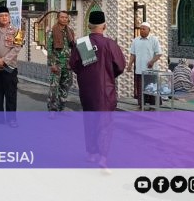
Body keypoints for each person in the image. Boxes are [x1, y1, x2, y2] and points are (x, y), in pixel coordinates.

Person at [68, 10, 125, 167]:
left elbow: (74, 65)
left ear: (88, 26)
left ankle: (91, 153)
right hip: (106, 91)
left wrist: (86, 76)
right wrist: (108, 75)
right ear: (105, 26)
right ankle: (103, 156)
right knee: (105, 122)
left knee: (90, 120)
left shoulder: (83, 43)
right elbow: (120, 66)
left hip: (87, 90)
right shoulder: (110, 44)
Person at [128, 22, 162, 109]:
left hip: (151, 70)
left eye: (144, 29)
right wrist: (129, 65)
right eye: (140, 29)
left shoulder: (154, 39)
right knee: (140, 89)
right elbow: (133, 54)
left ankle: (153, 106)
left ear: (148, 30)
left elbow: (159, 54)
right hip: (139, 70)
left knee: (151, 88)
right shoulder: (135, 40)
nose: (141, 31)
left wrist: (152, 61)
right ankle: (141, 105)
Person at [46, 10, 75, 114]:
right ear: (58, 18)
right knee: (54, 87)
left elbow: (73, 47)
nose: (64, 19)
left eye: (66, 17)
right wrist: (52, 64)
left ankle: (61, 107)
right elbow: (49, 48)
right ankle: (52, 109)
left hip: (67, 64)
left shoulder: (70, 31)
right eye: (62, 17)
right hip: (57, 63)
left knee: (65, 86)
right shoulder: (52, 31)